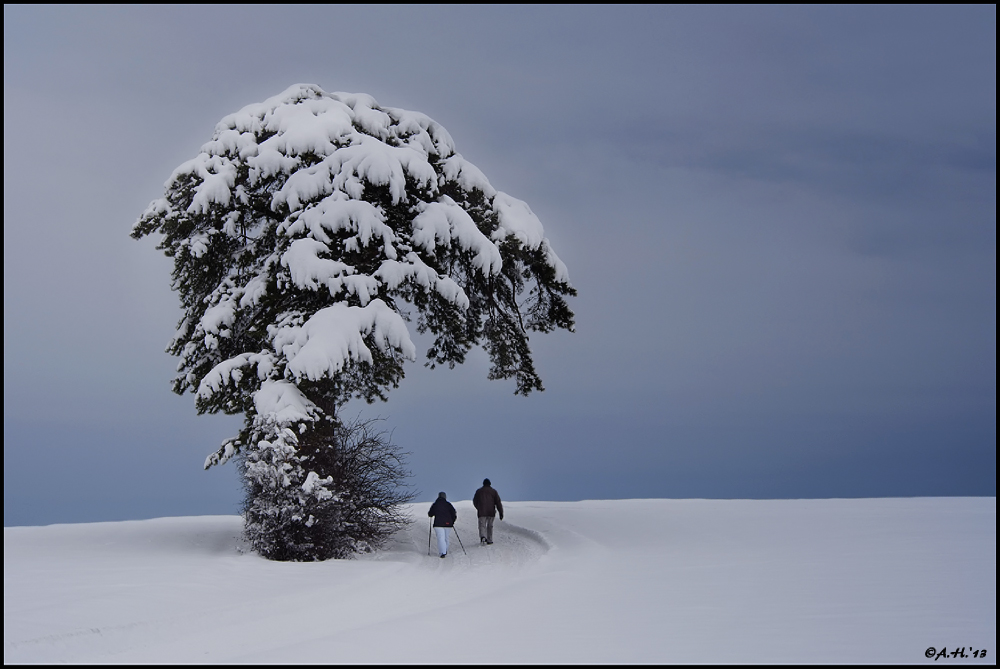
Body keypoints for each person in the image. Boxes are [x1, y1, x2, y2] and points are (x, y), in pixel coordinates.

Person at [473, 478, 503, 545]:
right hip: (491, 512)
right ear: (490, 484)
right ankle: (489, 539)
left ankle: (483, 536)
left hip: (482, 512)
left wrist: (479, 507)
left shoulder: (479, 491)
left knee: (482, 525)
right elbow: (498, 502)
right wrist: (501, 512)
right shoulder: (494, 491)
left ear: (483, 484)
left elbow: (475, 501)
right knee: (490, 526)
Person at [428, 492, 457, 558]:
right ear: (445, 497)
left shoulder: (435, 504)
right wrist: (452, 521)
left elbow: (430, 514)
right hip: (448, 524)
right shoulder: (448, 504)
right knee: (446, 538)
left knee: (440, 537)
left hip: (438, 524)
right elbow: (453, 513)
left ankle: (442, 552)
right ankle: (445, 550)